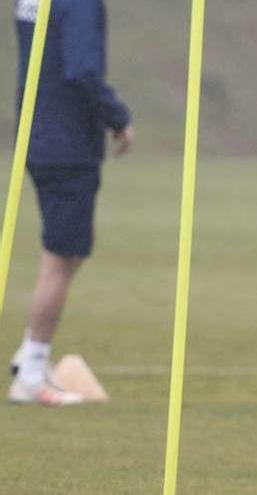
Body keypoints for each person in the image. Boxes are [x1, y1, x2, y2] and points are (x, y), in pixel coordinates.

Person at [8, 0, 134, 406]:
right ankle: (30, 371)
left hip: (37, 132)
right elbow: (82, 68)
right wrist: (118, 117)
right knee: (61, 258)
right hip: (67, 142)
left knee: (66, 254)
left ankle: (29, 353)